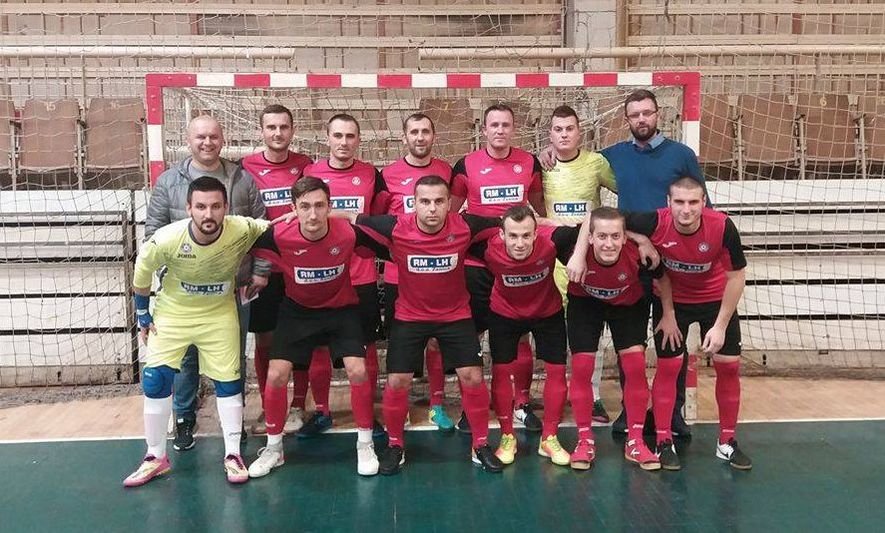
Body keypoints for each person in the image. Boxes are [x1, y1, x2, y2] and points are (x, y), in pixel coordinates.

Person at [571, 177, 751, 470]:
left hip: (715, 301)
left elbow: (737, 277)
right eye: (679, 202)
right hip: (673, 302)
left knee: (729, 366)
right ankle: (664, 440)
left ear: (704, 203)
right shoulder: (654, 221)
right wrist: (642, 241)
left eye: (693, 202)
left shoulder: (722, 226)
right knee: (669, 367)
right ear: (668, 203)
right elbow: (597, 217)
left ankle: (727, 441)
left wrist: (720, 325)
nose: (686, 209)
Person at [564, 89, 709, 437]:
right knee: (632, 344)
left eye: (647, 112)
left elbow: (701, 204)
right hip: (631, 259)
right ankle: (632, 412)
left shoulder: (682, 154)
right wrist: (552, 153)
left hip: (672, 261)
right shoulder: (614, 155)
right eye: (635, 114)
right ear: (626, 119)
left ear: (658, 114)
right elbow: (578, 160)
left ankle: (671, 413)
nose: (642, 119)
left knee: (670, 339)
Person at [345, 176, 505, 475]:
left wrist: (558, 225)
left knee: (472, 377)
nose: (432, 208)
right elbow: (352, 218)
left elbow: (509, 221)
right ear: (414, 203)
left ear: (449, 204)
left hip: (455, 315)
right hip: (410, 316)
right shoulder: (395, 226)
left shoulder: (466, 225)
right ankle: (395, 445)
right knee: (397, 381)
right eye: (425, 201)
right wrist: (308, 215)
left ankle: (480, 445)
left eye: (439, 201)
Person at [125, 177, 271, 487]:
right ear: (188, 208)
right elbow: (142, 273)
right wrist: (142, 315)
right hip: (173, 314)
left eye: (216, 206)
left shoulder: (242, 228)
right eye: (201, 207)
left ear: (226, 208)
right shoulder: (167, 238)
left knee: (229, 382)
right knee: (155, 380)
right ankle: (155, 457)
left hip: (219, 315)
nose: (209, 214)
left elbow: (274, 228)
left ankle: (233, 455)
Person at [247, 178, 389, 478]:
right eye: (305, 207)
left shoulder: (348, 233)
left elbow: (391, 231)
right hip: (297, 312)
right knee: (276, 374)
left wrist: (351, 216)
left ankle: (365, 444)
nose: (313, 215)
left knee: (358, 370)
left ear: (329, 206)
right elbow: (236, 241)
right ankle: (274, 449)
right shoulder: (277, 235)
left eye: (319, 206)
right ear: (293, 208)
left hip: (341, 309)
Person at [144, 115, 269, 451]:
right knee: (184, 360)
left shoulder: (243, 179)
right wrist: (170, 275)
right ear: (189, 141)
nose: (207, 142)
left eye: (213, 136)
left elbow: (262, 229)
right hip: (183, 295)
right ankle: (184, 419)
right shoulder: (169, 181)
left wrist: (260, 271)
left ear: (222, 139)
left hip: (232, 290)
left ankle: (234, 424)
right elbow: (153, 234)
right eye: (200, 137)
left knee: (232, 359)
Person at [451, 103, 546, 433]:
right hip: (477, 263)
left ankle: (521, 403)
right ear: (484, 130)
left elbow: (539, 211)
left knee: (520, 335)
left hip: (516, 263)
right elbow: (452, 216)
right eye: (494, 125)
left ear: (513, 129)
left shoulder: (530, 162)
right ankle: (472, 407)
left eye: (506, 125)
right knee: (473, 336)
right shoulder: (465, 164)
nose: (500, 130)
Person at [297, 114, 388, 438]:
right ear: (328, 138)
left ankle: (368, 413)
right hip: (320, 277)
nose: (344, 142)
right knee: (319, 347)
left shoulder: (371, 175)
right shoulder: (310, 173)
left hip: (360, 276)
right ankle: (322, 411)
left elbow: (376, 221)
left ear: (359, 140)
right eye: (338, 135)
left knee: (366, 347)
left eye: (350, 136)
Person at [564, 207, 674, 472]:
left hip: (628, 304)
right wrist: (577, 255)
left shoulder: (641, 254)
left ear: (625, 237)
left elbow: (663, 278)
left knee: (635, 366)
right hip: (585, 304)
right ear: (590, 237)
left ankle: (635, 441)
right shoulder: (569, 245)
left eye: (615, 236)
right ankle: (584, 440)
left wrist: (669, 314)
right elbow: (538, 234)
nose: (609, 243)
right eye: (602, 236)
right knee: (581, 368)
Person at [467, 206, 576, 467]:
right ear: (501, 234)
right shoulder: (487, 247)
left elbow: (588, 228)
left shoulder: (552, 240)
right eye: (513, 236)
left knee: (557, 371)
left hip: (547, 312)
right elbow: (456, 226)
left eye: (526, 235)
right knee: (501, 373)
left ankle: (549, 438)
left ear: (537, 233)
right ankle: (507, 436)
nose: (520, 243)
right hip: (504, 313)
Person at [379, 112, 465, 430]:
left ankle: (436, 405)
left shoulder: (447, 171)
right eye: (413, 132)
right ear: (404, 137)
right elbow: (379, 222)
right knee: (401, 344)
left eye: (425, 131)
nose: (419, 137)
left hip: (439, 272)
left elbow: (454, 215)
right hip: (399, 274)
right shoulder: (387, 175)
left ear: (433, 136)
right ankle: (399, 407)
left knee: (436, 343)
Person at [542, 104, 618, 425]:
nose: (564, 135)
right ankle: (558, 393)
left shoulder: (596, 163)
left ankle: (593, 395)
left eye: (569, 129)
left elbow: (625, 189)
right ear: (550, 134)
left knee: (590, 333)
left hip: (588, 260)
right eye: (558, 130)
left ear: (580, 132)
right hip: (552, 260)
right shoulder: (542, 165)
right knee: (553, 333)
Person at [240, 104, 313, 436]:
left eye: (284, 127)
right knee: (265, 338)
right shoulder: (245, 168)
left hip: (301, 264)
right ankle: (271, 406)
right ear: (262, 131)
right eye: (271, 127)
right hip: (263, 267)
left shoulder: (305, 165)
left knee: (302, 337)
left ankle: (298, 405)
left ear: (292, 130)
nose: (278, 133)